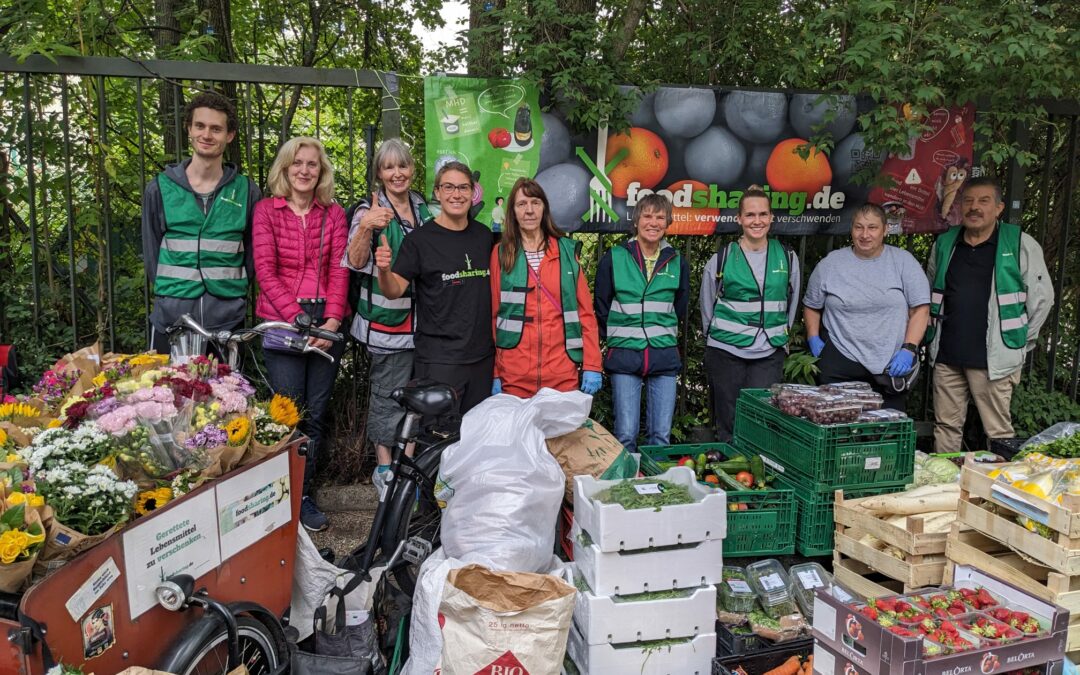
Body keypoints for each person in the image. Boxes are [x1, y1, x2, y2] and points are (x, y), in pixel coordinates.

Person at [253, 136, 349, 532]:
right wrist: (298, 319)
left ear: (321, 171)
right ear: (285, 168)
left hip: (325, 321)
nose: (305, 170)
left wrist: (332, 322)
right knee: (287, 413)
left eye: (312, 164)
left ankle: (304, 496)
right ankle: (282, 498)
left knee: (316, 414)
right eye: (298, 163)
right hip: (283, 323)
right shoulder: (266, 211)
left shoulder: (334, 214)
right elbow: (265, 271)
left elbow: (340, 269)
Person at [926, 177, 1053, 451]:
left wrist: (1019, 342)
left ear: (999, 208)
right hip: (947, 355)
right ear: (960, 206)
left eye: (984, 201)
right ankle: (946, 477)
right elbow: (931, 289)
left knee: (997, 432)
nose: (975, 207)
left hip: (994, 359)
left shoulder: (1019, 243)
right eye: (968, 201)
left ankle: (997, 479)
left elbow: (1043, 300)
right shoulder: (945, 243)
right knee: (946, 427)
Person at [342, 139, 430, 498]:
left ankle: (406, 467)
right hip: (386, 324)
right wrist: (366, 226)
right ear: (379, 173)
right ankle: (383, 469)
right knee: (386, 396)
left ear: (412, 169)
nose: (397, 173)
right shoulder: (369, 210)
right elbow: (354, 261)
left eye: (403, 166)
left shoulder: (424, 207)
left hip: (425, 325)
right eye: (389, 167)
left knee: (417, 396)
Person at [142, 91, 261, 355]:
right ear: (189, 129)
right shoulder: (160, 188)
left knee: (228, 383)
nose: (207, 135)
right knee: (165, 383)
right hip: (172, 317)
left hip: (227, 319)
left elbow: (253, 255)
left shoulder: (246, 191)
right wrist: (169, 296)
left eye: (216, 129)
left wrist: (233, 294)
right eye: (200, 126)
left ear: (229, 135)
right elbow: (152, 253)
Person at [374, 161, 494, 417]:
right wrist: (383, 270)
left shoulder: (485, 237)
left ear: (472, 193)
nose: (456, 194)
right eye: (448, 187)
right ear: (437, 193)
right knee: (439, 437)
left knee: (478, 435)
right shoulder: (419, 241)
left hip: (482, 359)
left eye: (463, 187)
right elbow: (393, 291)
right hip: (439, 361)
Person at [803, 203, 930, 411]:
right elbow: (811, 305)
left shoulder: (904, 262)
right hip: (839, 359)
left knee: (888, 426)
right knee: (836, 422)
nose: (865, 235)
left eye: (872, 228)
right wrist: (813, 337)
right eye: (859, 227)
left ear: (885, 230)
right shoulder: (830, 264)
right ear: (851, 229)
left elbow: (920, 310)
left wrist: (909, 349)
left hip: (890, 365)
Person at [700, 185, 800, 442]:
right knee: (728, 419)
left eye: (763, 214)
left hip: (769, 349)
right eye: (750, 215)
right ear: (739, 219)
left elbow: (791, 301)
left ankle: (756, 465)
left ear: (771, 217)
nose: (757, 221)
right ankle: (728, 462)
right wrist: (715, 339)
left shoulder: (787, 257)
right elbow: (707, 304)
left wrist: (780, 336)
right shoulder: (722, 258)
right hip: (726, 349)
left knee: (761, 418)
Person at [489, 178, 602, 398]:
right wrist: (495, 372)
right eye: (522, 204)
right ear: (513, 211)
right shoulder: (501, 254)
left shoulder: (566, 252)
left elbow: (585, 314)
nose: (529, 210)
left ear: (544, 208)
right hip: (514, 376)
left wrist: (592, 365)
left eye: (535, 202)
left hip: (561, 374)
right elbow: (494, 316)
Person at [595, 193, 690, 451]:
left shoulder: (677, 261)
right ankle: (627, 478)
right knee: (626, 433)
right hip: (625, 353)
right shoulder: (615, 257)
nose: (653, 223)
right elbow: (601, 305)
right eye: (647, 216)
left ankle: (656, 477)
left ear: (667, 223)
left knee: (661, 435)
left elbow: (679, 305)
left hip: (663, 354)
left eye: (660, 217)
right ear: (636, 220)